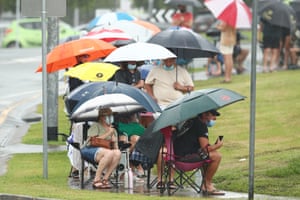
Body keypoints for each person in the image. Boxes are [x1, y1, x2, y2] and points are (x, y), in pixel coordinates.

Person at [173, 110, 224, 195]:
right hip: (186, 158)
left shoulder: (188, 121)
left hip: (175, 156)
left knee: (208, 155)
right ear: (204, 114)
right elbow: (205, 149)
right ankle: (207, 185)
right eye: (213, 115)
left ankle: (205, 184)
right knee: (216, 156)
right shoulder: (200, 125)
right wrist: (217, 146)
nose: (214, 118)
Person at [81, 108, 121, 189]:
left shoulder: (113, 130)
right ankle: (97, 179)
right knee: (108, 153)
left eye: (111, 116)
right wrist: (108, 133)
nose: (111, 118)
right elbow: (93, 141)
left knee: (117, 153)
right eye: (109, 116)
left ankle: (105, 179)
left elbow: (116, 148)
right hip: (91, 149)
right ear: (102, 117)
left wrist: (115, 141)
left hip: (106, 152)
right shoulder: (96, 126)